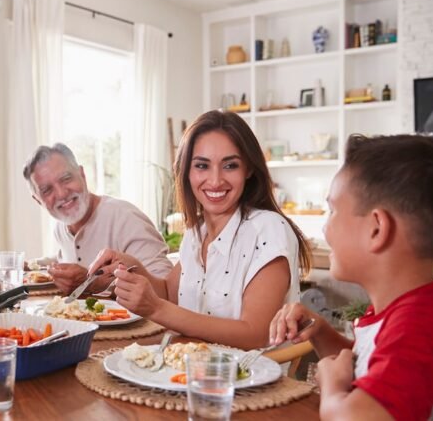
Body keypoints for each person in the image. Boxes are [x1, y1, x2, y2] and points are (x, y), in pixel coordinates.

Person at [270, 134, 433, 420]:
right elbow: (374, 366)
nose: (324, 228)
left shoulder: (421, 322)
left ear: (376, 229)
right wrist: (321, 333)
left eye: (332, 210)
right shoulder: (410, 309)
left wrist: (332, 388)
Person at [90, 110, 311, 350]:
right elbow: (169, 294)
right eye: (202, 166)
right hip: (191, 369)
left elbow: (255, 333)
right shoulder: (198, 233)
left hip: (246, 379)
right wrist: (130, 266)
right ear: (186, 171)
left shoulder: (268, 230)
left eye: (230, 165)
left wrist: (156, 309)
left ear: (248, 169)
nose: (215, 180)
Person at [23, 143, 173, 296]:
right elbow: (64, 256)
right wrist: (33, 265)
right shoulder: (61, 227)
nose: (61, 194)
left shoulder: (126, 217)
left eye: (66, 178)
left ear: (82, 174)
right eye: (47, 190)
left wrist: (96, 284)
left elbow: (167, 292)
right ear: (37, 200)